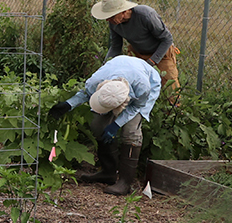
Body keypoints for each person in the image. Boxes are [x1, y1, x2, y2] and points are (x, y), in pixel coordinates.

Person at [49, 54, 162, 195]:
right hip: (120, 70)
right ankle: (108, 172)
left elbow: (135, 107)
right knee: (98, 126)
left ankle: (125, 182)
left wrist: (116, 125)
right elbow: (86, 93)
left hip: (145, 86)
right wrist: (69, 104)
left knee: (131, 132)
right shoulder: (95, 81)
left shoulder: (143, 87)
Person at [91, 0, 180, 92]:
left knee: (170, 88)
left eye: (111, 16)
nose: (108, 20)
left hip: (161, 52)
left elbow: (167, 39)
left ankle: (175, 107)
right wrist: (106, 64)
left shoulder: (146, 15)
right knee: (133, 86)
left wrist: (152, 61)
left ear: (123, 12)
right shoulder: (114, 23)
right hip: (137, 53)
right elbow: (116, 46)